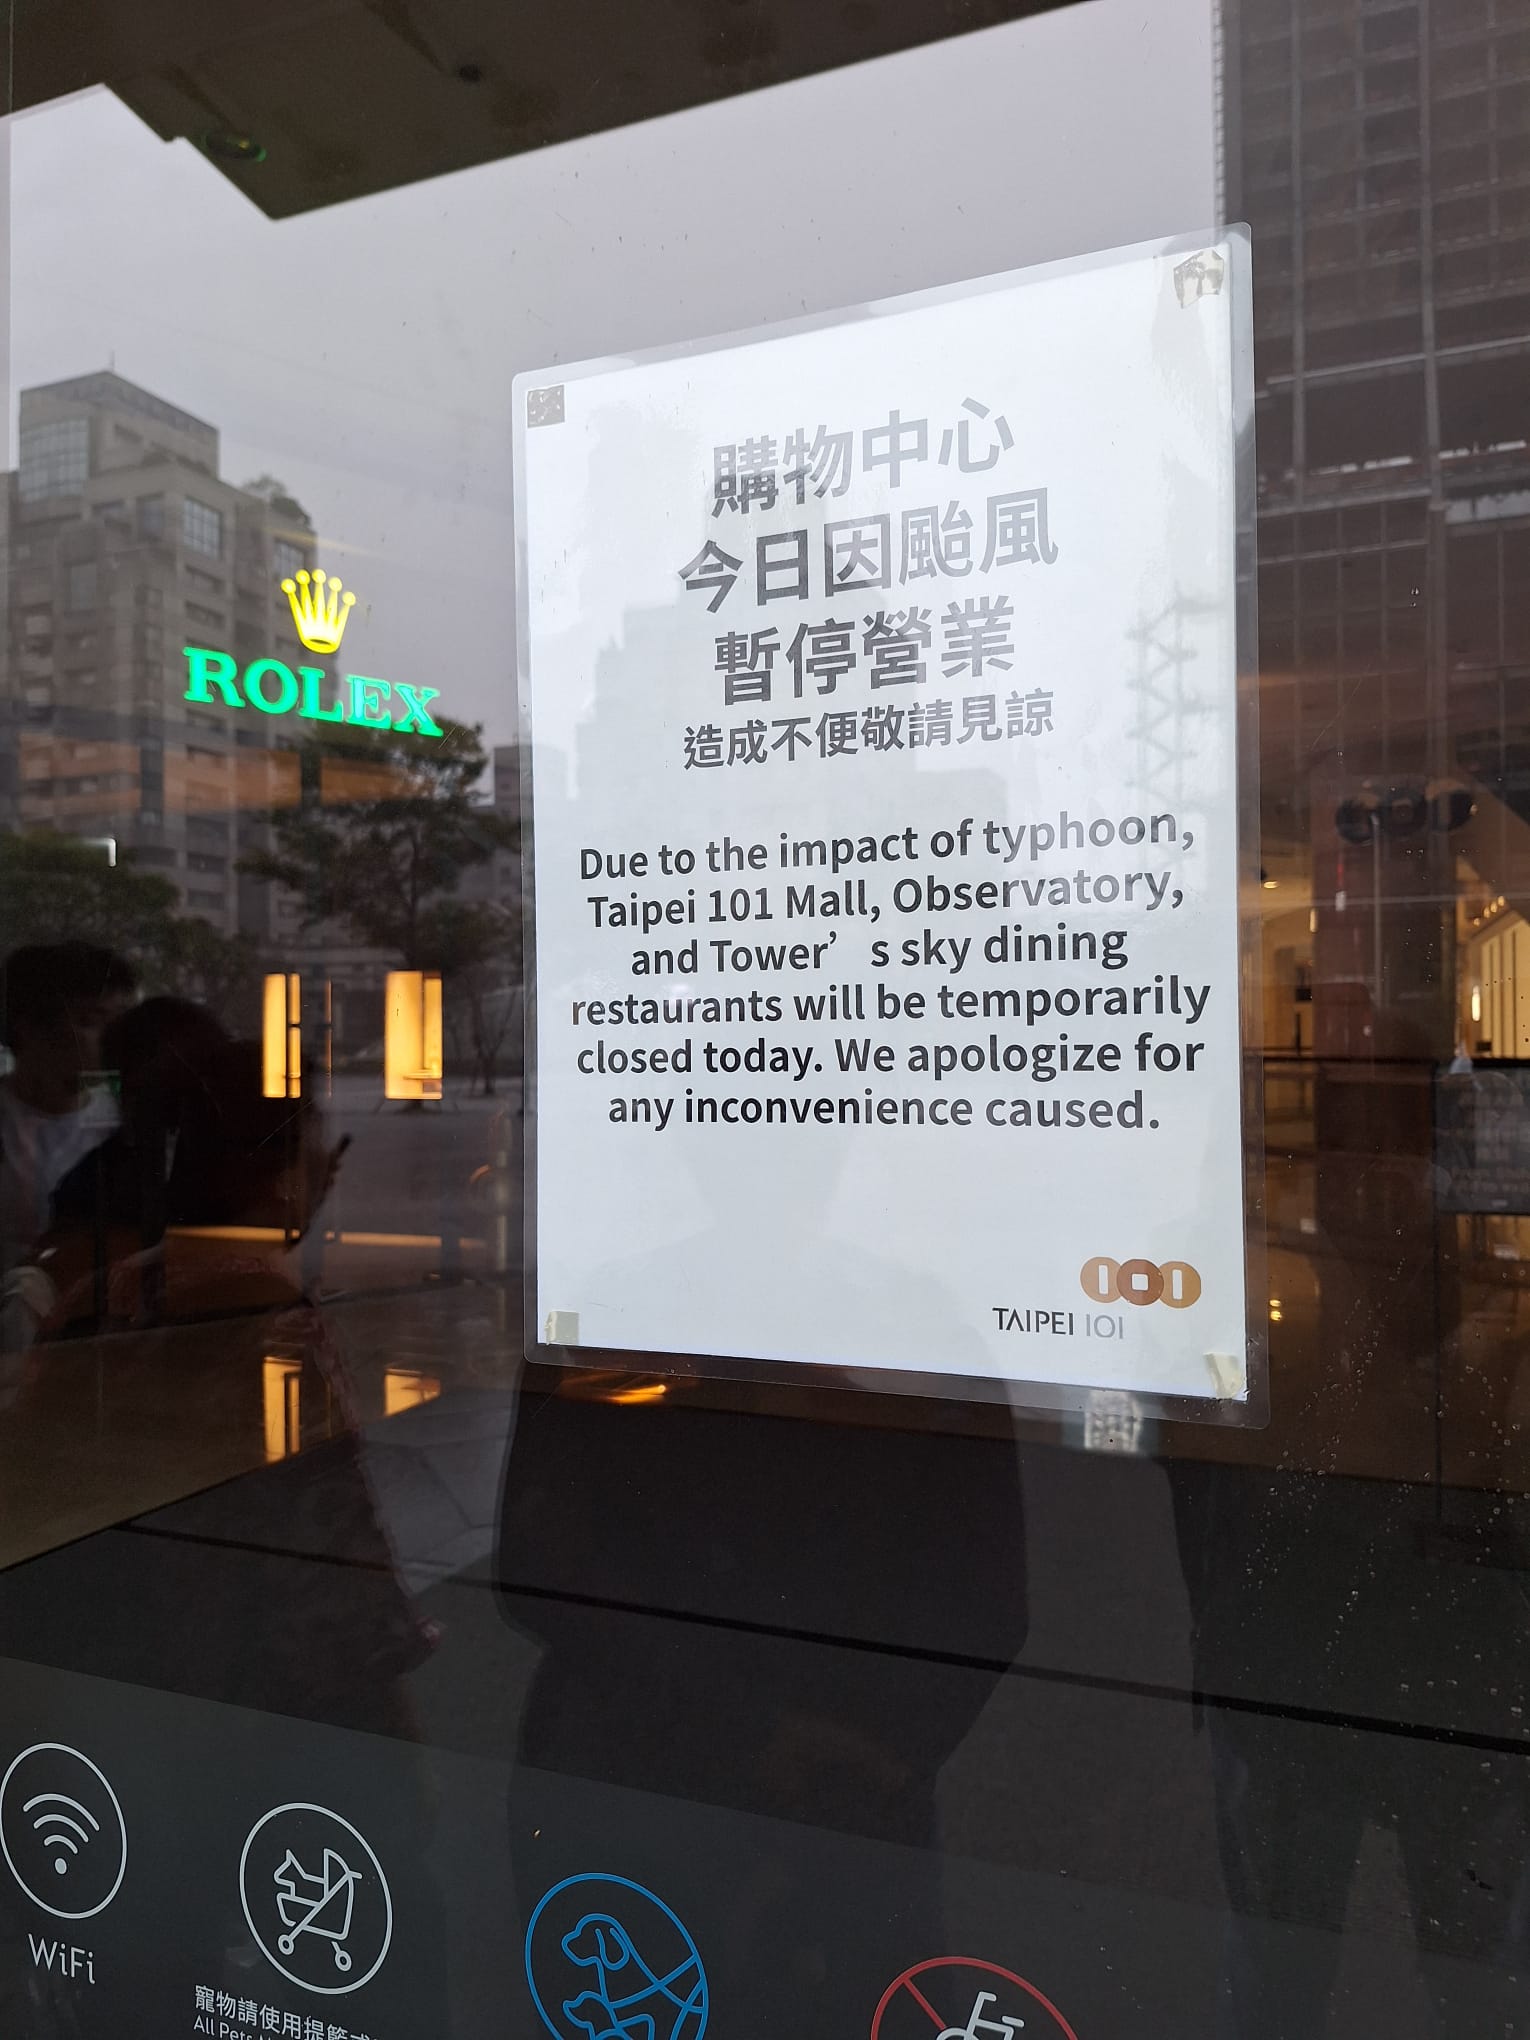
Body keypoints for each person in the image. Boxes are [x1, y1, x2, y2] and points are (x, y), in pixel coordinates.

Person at [0, 942, 136, 1273]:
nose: (115, 1038)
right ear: (29, 1028)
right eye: (91, 1021)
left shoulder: (121, 1122)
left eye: (121, 1023)